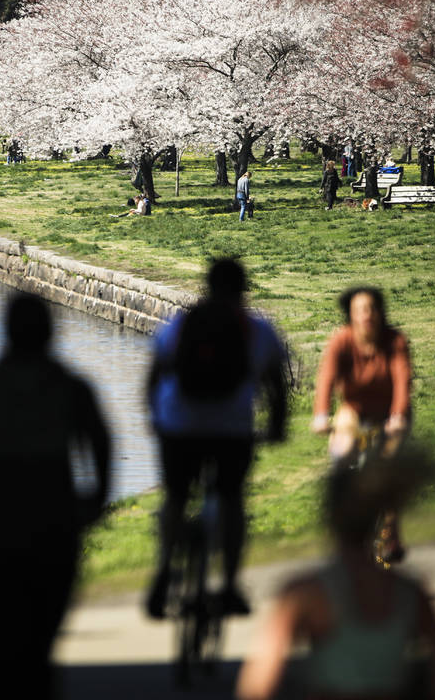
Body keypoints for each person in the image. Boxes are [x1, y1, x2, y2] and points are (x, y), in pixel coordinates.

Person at [0, 294, 111, 700]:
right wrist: (95, 499)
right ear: (52, 333)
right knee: (40, 648)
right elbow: (101, 442)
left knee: (0, 655)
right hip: (56, 537)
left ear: (5, 332)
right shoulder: (71, 388)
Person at [236, 451, 435, 700]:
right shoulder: (410, 592)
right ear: (375, 518)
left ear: (330, 517)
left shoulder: (305, 594)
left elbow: (257, 686)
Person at [146, 259, 288, 619]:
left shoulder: (182, 324)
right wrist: (275, 429)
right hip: (232, 428)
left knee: (176, 496)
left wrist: (155, 419)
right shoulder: (258, 331)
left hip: (179, 424)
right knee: (232, 499)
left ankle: (163, 573)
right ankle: (228, 585)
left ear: (206, 287)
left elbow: (154, 375)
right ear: (244, 289)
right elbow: (276, 388)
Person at [312, 287, 412, 563]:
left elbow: (402, 379)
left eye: (371, 309)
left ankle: (390, 534)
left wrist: (399, 416)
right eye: (360, 310)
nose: (366, 315)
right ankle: (344, 529)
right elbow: (326, 379)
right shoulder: (341, 341)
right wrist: (321, 415)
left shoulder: (394, 341)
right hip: (354, 409)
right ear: (351, 316)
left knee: (388, 468)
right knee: (342, 456)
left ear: (380, 313)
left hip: (390, 413)